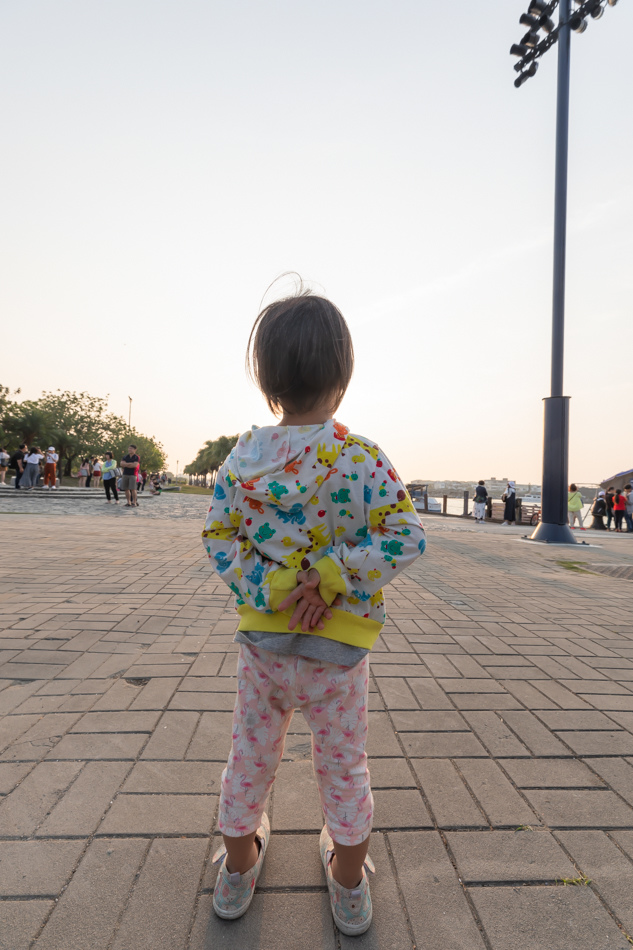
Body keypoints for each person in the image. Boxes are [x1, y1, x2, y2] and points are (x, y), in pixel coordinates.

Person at [202, 289, 425, 935]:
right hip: (338, 650)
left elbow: (219, 538)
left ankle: (238, 867)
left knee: (249, 758)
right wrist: (328, 578)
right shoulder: (360, 457)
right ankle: (348, 883)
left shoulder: (240, 463)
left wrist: (273, 589)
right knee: (343, 765)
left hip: (265, 649)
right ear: (341, 375)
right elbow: (405, 537)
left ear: (266, 379)